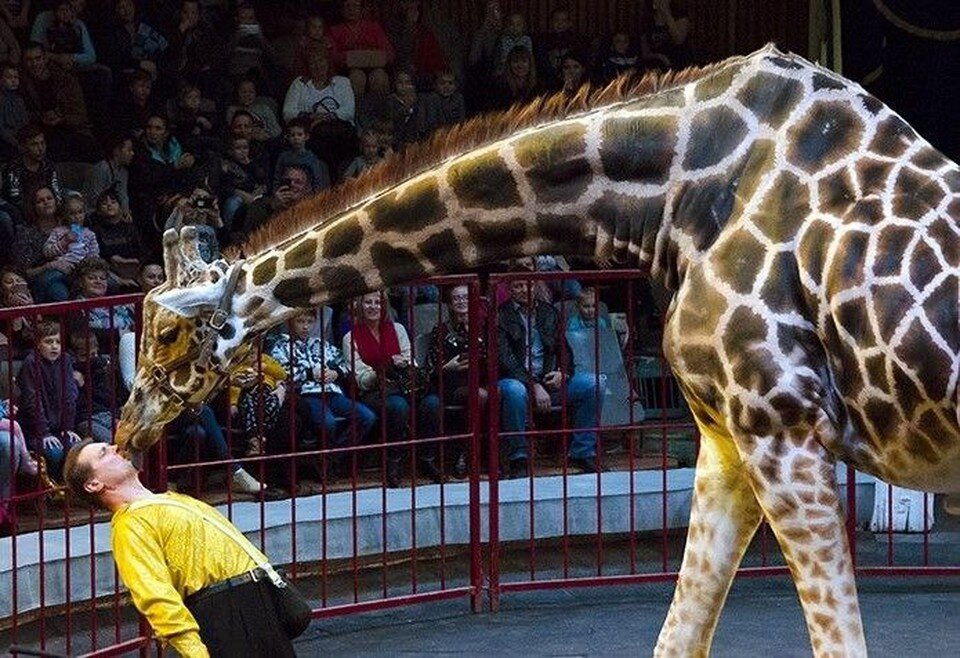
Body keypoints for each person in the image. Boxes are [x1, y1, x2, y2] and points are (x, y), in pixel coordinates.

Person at [62, 439, 298, 656]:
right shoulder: (129, 526)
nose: (115, 448)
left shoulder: (171, 498)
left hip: (253, 602)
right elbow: (155, 595)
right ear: (94, 484)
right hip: (222, 614)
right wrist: (194, 652)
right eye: (104, 453)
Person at [497, 277, 603, 478]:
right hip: (518, 381)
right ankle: (519, 456)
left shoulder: (549, 312)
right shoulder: (500, 315)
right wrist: (533, 384)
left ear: (535, 285)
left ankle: (582, 451)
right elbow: (505, 359)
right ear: (510, 290)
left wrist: (563, 372)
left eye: (528, 284)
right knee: (514, 390)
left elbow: (564, 350)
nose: (524, 289)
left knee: (595, 384)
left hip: (548, 380)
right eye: (518, 285)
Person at [342, 291, 443, 488]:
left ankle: (427, 459)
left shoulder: (398, 329)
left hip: (403, 386)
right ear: (360, 306)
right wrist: (385, 368)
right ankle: (393, 462)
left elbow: (410, 359)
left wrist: (403, 365)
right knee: (398, 407)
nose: (373, 307)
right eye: (368, 302)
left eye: (378, 302)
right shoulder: (350, 337)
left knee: (432, 403)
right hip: (373, 391)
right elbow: (360, 378)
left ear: (385, 306)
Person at [270, 310, 375, 473]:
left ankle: (334, 457)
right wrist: (309, 373)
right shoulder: (281, 346)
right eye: (300, 322)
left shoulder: (320, 343)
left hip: (332, 392)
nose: (305, 327)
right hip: (306, 394)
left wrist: (336, 373)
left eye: (309, 322)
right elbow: (281, 373)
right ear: (290, 322)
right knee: (328, 423)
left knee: (367, 417)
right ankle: (327, 461)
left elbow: (344, 362)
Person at [426, 284, 488, 478]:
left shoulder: (484, 328)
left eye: (465, 297)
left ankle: (486, 453)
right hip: (451, 383)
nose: (461, 301)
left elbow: (494, 358)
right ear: (450, 304)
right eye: (457, 298)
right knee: (478, 396)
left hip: (481, 379)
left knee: (499, 392)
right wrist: (449, 366)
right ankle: (466, 453)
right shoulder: (441, 329)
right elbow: (431, 368)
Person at [16, 319, 83, 479]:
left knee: (74, 447)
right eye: (48, 342)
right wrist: (44, 432)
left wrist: (68, 427)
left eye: (58, 342)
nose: (54, 346)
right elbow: (33, 402)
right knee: (54, 453)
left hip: (60, 426)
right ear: (38, 344)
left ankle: (67, 488)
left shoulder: (65, 360)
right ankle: (50, 490)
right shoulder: (31, 364)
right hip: (35, 430)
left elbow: (70, 396)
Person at [12, 186, 72, 302]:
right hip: (45, 280)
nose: (46, 202)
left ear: (56, 201)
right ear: (33, 207)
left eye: (49, 198)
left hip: (76, 273)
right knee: (57, 287)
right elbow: (24, 273)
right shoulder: (26, 232)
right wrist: (50, 266)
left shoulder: (69, 223)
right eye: (40, 201)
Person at [327, 0, 393, 97]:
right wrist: (353, 58)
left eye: (355, 6)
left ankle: (380, 110)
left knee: (379, 76)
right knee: (357, 76)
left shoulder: (374, 27)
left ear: (361, 10)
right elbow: (333, 55)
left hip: (375, 67)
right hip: (347, 71)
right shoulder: (334, 30)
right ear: (342, 10)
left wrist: (368, 57)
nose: (351, 9)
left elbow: (389, 53)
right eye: (348, 6)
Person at [70, 331, 124, 443]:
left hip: (108, 415)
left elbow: (108, 397)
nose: (91, 360)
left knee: (129, 437)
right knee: (111, 441)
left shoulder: (103, 368)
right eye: (84, 356)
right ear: (74, 356)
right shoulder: (71, 372)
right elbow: (75, 404)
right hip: (86, 419)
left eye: (93, 355)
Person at [43, 191, 100, 269]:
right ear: (65, 215)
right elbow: (47, 252)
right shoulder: (58, 232)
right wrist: (64, 241)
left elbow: (94, 256)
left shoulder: (90, 235)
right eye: (72, 213)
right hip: (61, 268)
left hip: (83, 270)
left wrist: (87, 265)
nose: (77, 217)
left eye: (80, 212)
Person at [272, 116, 329, 192]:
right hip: (287, 192)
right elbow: (277, 177)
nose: (296, 138)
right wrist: (276, 192)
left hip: (306, 196)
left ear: (306, 136)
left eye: (299, 134)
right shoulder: (284, 157)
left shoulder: (312, 158)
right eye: (292, 135)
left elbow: (317, 180)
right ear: (288, 137)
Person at [83, 133, 134, 214]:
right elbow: (95, 198)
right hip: (93, 211)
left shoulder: (123, 172)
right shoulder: (102, 168)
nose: (132, 153)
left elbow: (123, 195)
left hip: (112, 210)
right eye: (129, 150)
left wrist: (125, 212)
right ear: (117, 151)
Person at [641, 0, 691, 70]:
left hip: (678, 63)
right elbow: (645, 52)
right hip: (657, 64)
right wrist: (661, 57)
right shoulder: (647, 21)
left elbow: (679, 40)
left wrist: (667, 14)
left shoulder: (680, 17)